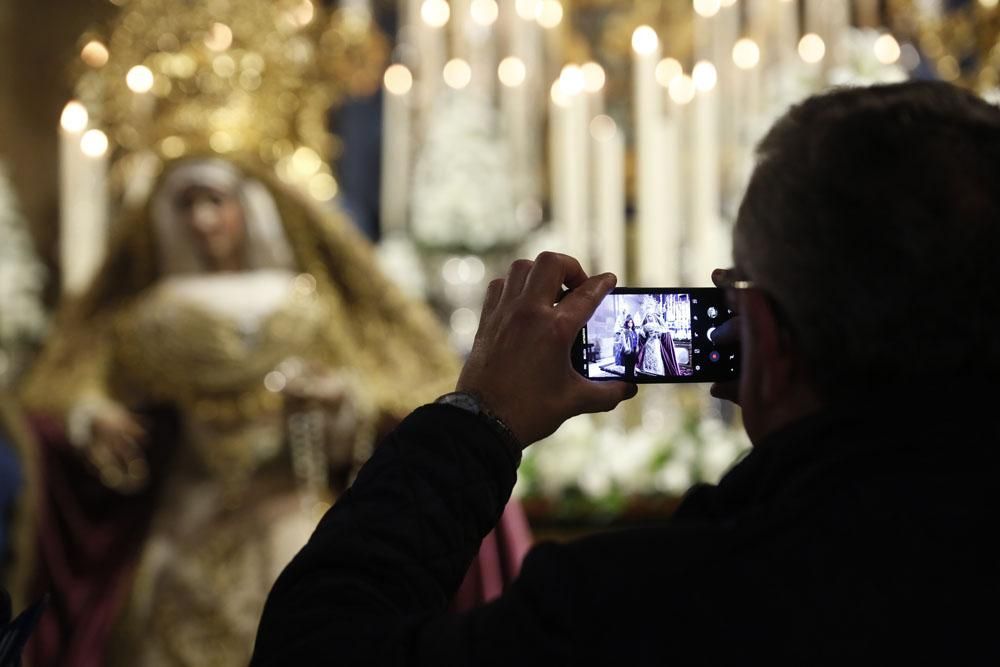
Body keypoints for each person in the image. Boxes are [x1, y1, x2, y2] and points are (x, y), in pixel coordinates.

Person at [251, 81, 1000, 663]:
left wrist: (476, 417)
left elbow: (317, 647)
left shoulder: (657, 607)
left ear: (763, 339)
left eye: (733, 291)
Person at [21, 158, 528, 667]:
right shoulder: (151, 318)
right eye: (186, 204)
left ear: (246, 206)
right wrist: (91, 415)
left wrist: (338, 402)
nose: (202, 220)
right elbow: (76, 384)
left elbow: (387, 392)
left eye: (215, 202)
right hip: (187, 517)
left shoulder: (304, 307)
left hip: (288, 509)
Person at [636, 311, 680, 377]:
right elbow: (643, 335)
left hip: (656, 343)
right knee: (647, 356)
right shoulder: (645, 326)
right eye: (648, 316)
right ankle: (647, 369)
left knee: (656, 355)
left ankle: (656, 370)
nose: (649, 318)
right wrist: (642, 333)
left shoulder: (657, 325)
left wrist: (658, 334)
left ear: (653, 317)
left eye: (650, 316)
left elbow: (664, 331)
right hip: (648, 343)